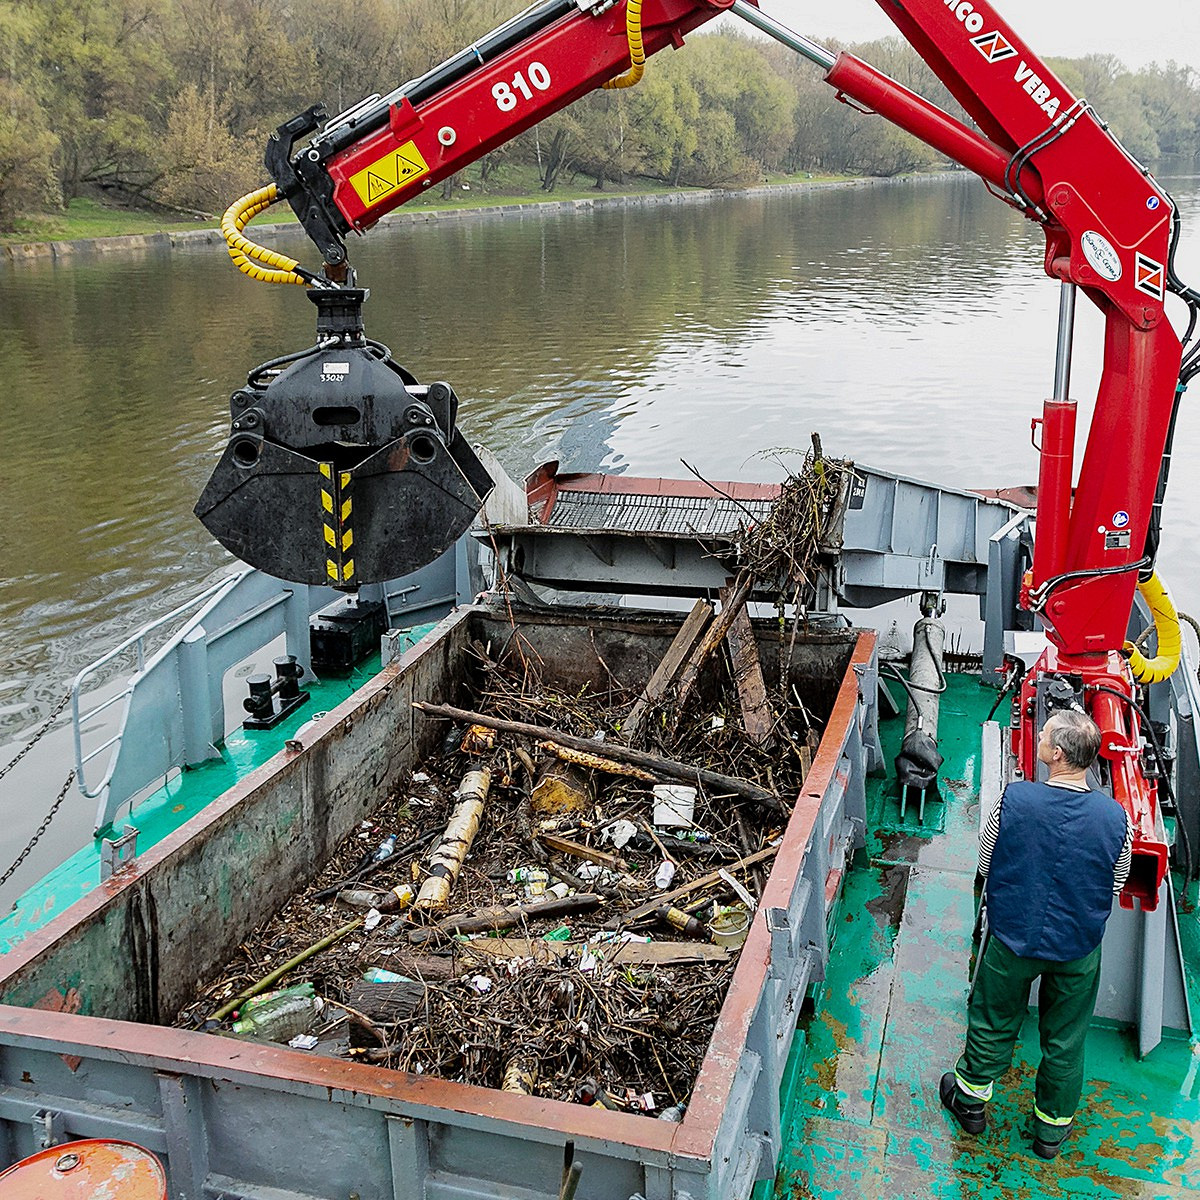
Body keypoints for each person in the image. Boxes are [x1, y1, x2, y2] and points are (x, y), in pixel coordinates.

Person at [940, 708, 1133, 1159]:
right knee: (1065, 1040)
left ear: (1057, 754)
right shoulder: (1115, 817)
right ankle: (1049, 1133)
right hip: (1078, 947)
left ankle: (970, 1105)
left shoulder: (1015, 800)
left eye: (1044, 735)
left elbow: (986, 863)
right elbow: (1117, 879)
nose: (1039, 738)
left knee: (992, 1020)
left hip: (1013, 939)